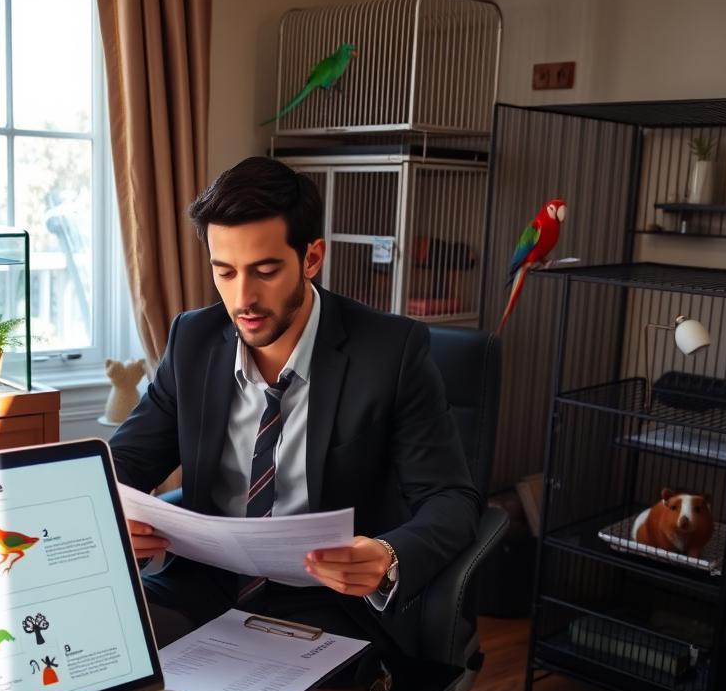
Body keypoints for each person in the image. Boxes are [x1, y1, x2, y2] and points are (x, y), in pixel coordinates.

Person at [110, 156, 480, 653]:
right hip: (199, 589)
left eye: (265, 271)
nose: (243, 298)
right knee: (106, 656)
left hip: (329, 604)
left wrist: (388, 555)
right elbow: (124, 463)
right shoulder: (193, 340)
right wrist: (112, 520)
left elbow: (451, 500)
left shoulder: (389, 353)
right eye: (225, 272)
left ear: (311, 258)